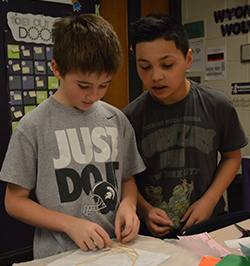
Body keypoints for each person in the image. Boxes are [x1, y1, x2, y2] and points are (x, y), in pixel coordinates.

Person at [0, 14, 145, 259]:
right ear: (57, 68)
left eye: (104, 85)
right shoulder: (33, 126)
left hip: (114, 249)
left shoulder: (117, 120)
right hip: (59, 254)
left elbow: (127, 180)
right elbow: (14, 201)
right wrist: (69, 224)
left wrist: (128, 206)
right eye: (84, 85)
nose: (94, 95)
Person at [122, 14, 248, 238]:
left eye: (167, 65)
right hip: (152, 236)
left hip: (208, 225)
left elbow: (232, 157)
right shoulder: (130, 117)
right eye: (145, 67)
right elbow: (126, 178)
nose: (156, 76)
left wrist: (209, 201)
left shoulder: (217, 104)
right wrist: (144, 210)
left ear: (188, 59)